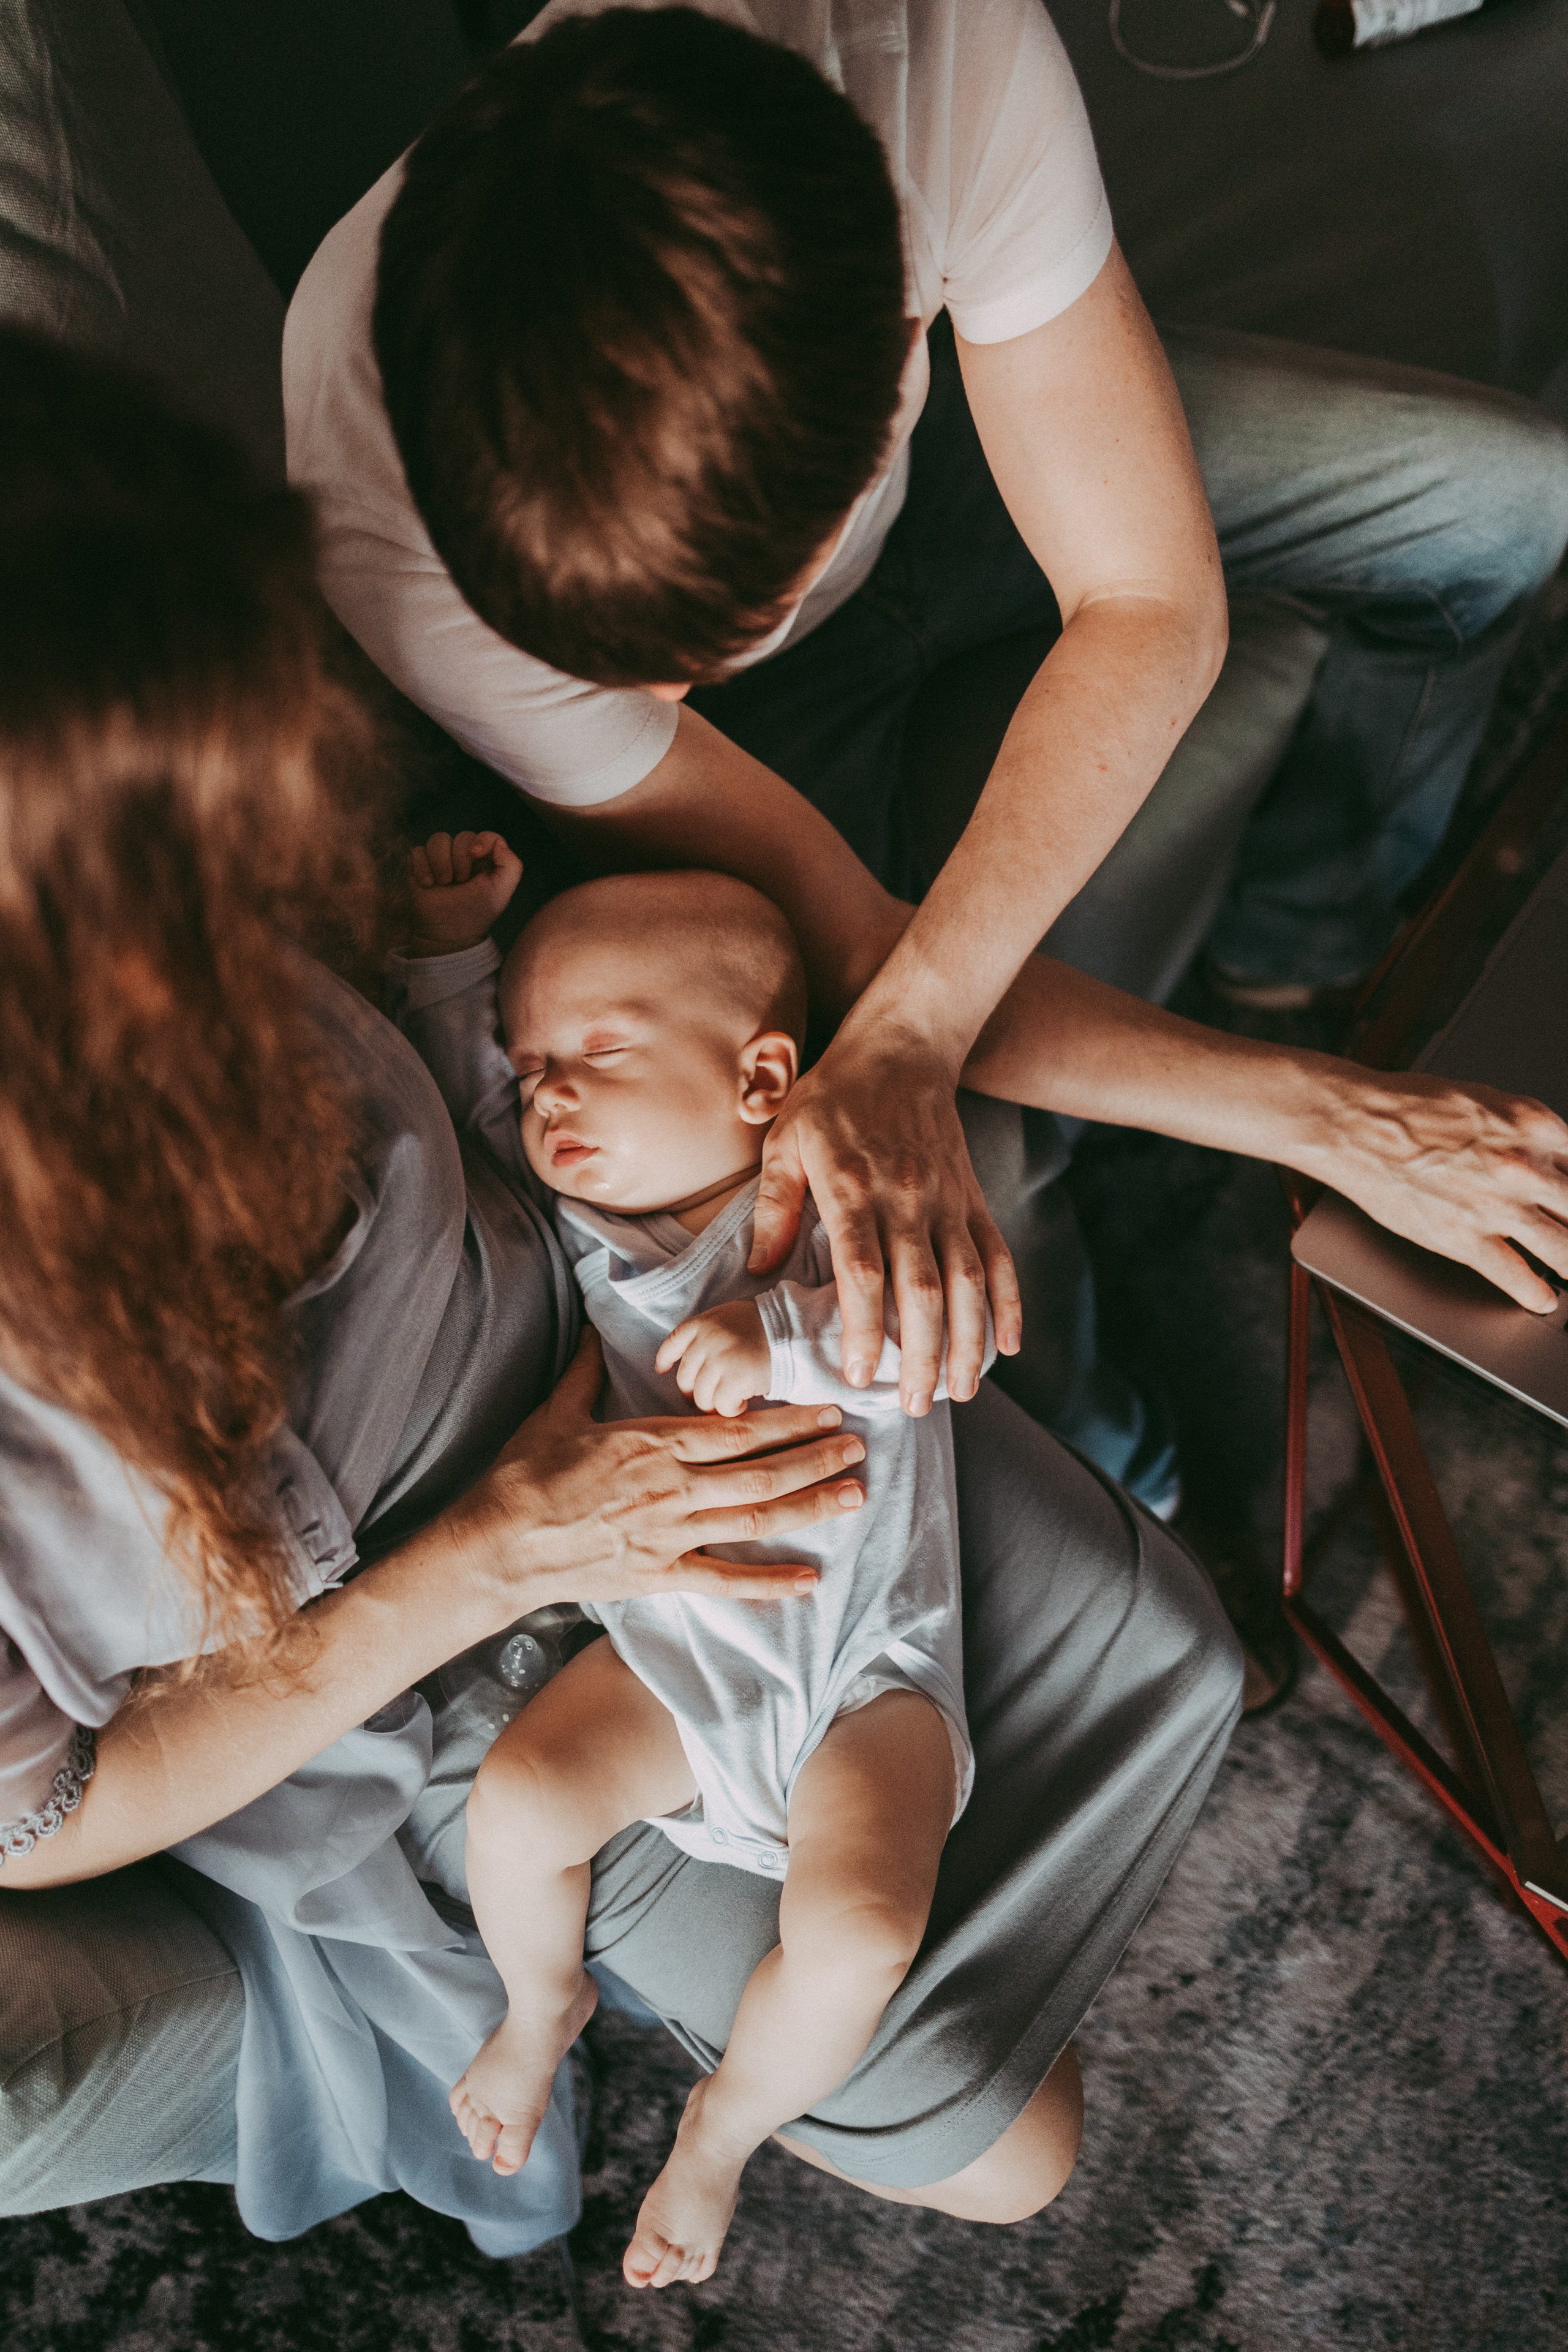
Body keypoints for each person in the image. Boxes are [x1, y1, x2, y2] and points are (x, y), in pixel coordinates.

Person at [0, 326, 1245, 2250]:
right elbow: (49, 1811)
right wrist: (502, 1552)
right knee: (1019, 2153)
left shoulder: (139, 735)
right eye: (196, 877)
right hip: (438, 1671)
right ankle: (651, 2057)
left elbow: (786, 984)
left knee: (1168, 1656)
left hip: (684, 1415)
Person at [285, 0, 1568, 1536]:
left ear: (906, 313)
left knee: (1504, 505)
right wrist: (1332, 1121)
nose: (665, 683)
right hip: (730, 775)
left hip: (935, 485)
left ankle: (1306, 938)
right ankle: (1141, 1501)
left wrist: (1322, 1092)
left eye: (711, 633)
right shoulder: (392, 508)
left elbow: (1149, 600)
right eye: (635, 659)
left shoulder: (944, 51)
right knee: (972, 1178)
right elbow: (845, 927)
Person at [402, 840, 986, 2286]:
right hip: (672, 1664)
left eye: (598, 1050)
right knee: (523, 1797)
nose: (551, 1093)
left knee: (856, 1929)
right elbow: (469, 1111)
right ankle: (542, 2008)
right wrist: (448, 957)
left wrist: (776, 1338)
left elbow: (917, 1335)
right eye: (538, 1061)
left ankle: (722, 2129)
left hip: (866, 1673)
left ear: (760, 1081)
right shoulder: (587, 1231)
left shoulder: (823, 1190)